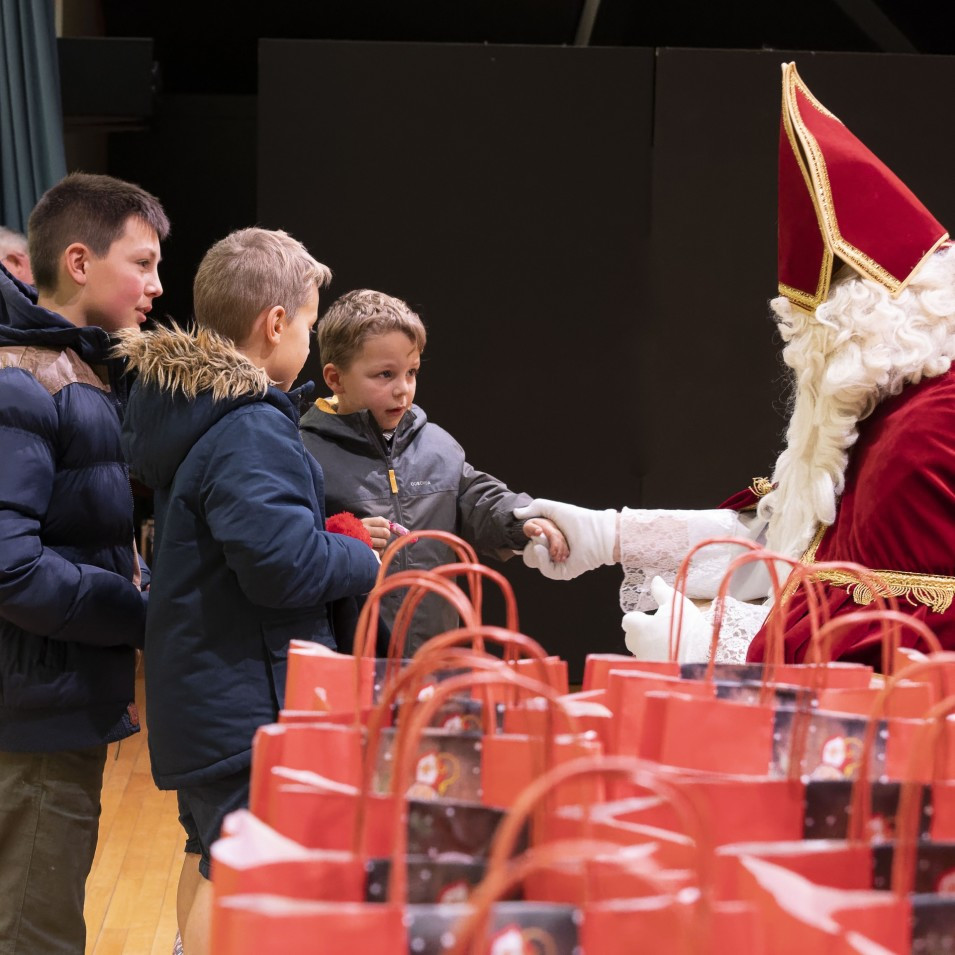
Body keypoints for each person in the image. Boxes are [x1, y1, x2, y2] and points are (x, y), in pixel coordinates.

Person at [516, 62, 955, 669]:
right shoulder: (880, 400)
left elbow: (904, 627)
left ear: (863, 319)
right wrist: (609, 534)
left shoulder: (929, 426)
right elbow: (783, 534)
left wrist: (722, 646)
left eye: (813, 333)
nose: (804, 358)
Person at [116, 227, 381, 955]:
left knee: (210, 854)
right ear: (275, 322)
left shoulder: (199, 412)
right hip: (245, 701)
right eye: (308, 324)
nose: (308, 341)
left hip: (209, 694)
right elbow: (280, 567)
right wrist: (358, 555)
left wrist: (322, 532)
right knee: (238, 869)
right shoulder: (250, 424)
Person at [0, 172, 167, 954]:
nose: (156, 284)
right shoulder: (25, 379)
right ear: (78, 261)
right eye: (142, 262)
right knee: (34, 933)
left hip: (52, 700)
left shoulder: (77, 371)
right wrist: (136, 612)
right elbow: (10, 567)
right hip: (33, 716)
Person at [299, 288, 568, 653]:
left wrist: (522, 520)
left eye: (411, 372)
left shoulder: (437, 446)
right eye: (385, 375)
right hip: (352, 661)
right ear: (335, 378)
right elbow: (291, 546)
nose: (403, 390)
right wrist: (341, 535)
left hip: (433, 656)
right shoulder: (305, 451)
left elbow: (480, 499)